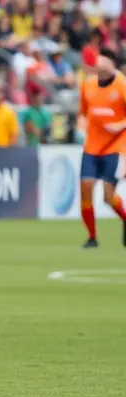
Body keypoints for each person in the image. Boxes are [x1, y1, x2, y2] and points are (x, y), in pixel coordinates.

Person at [77, 50, 126, 248]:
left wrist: (120, 124)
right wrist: (80, 126)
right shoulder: (87, 85)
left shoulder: (122, 84)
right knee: (86, 189)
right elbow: (82, 112)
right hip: (92, 147)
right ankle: (92, 237)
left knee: (108, 196)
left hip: (115, 146)